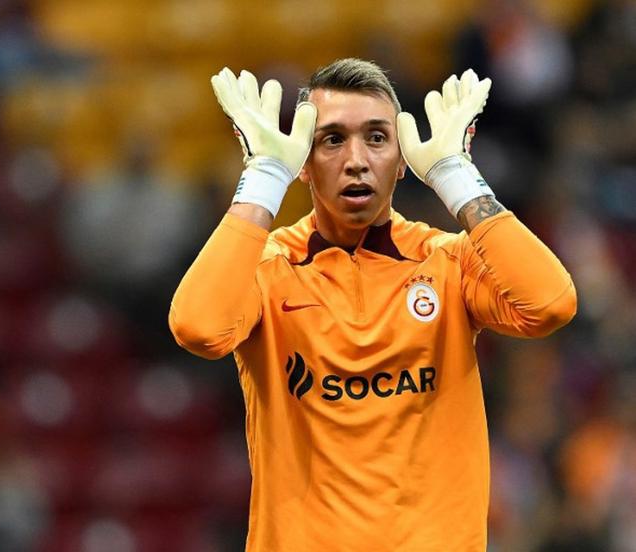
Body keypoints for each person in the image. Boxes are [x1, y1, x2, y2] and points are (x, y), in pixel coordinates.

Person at [169, 58, 576, 551]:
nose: (356, 159)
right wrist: (263, 178)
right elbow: (197, 327)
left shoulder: (447, 261)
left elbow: (550, 303)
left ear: (404, 160)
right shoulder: (268, 266)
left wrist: (456, 175)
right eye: (332, 139)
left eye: (377, 138)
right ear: (302, 160)